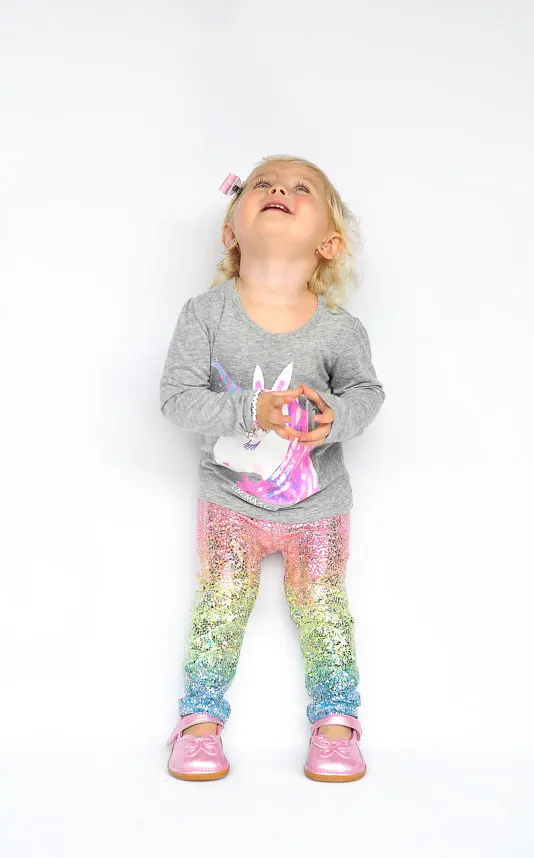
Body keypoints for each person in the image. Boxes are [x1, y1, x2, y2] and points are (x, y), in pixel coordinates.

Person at [160, 154, 385, 782]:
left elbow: (368, 394)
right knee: (221, 603)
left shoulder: (340, 331)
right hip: (229, 502)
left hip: (319, 505)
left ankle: (336, 724)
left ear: (328, 243)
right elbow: (176, 399)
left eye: (299, 187)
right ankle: (198, 723)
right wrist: (249, 409)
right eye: (263, 183)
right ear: (231, 229)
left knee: (323, 608)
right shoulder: (205, 315)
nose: (278, 188)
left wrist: (333, 418)